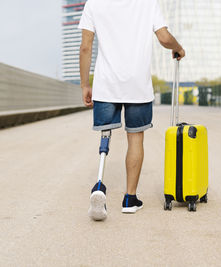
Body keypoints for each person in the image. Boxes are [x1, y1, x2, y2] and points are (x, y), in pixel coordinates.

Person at [78, 0, 185, 221]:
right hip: (138, 86)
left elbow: (85, 47)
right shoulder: (147, 3)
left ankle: (99, 185)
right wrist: (178, 48)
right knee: (135, 139)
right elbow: (164, 37)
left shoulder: (94, 4)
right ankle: (130, 198)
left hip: (106, 84)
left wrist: (85, 84)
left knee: (106, 133)